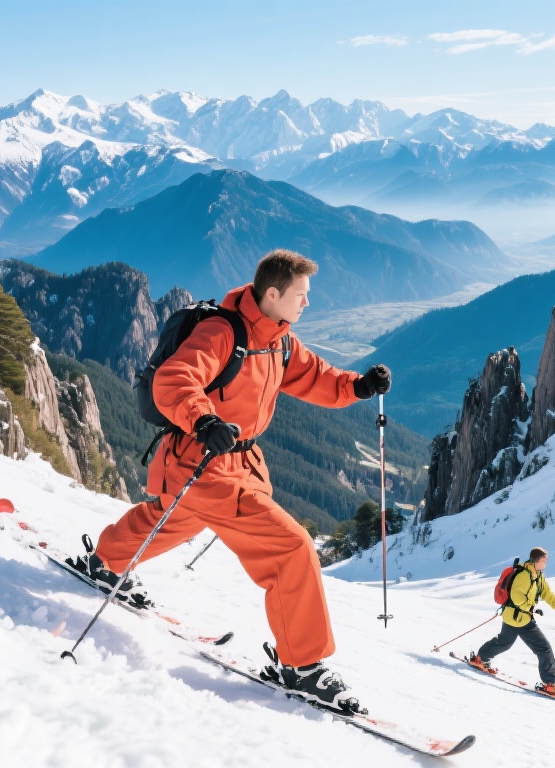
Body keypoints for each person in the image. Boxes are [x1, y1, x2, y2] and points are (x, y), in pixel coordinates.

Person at [74, 250, 391, 711]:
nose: (307, 304)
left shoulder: (279, 341)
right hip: (206, 463)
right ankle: (301, 665)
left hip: (232, 465)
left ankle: (105, 560)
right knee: (292, 548)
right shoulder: (223, 333)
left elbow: (313, 376)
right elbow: (173, 379)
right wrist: (203, 420)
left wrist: (357, 386)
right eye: (301, 296)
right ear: (274, 294)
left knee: (172, 518)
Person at [470, 547, 555, 695]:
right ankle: (550, 684)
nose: (546, 563)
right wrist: (532, 610)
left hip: (516, 617)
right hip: (519, 618)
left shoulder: (538, 576)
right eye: (544, 560)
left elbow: (547, 593)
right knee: (543, 648)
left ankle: (481, 658)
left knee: (504, 642)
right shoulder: (524, 575)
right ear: (536, 561)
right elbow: (517, 597)